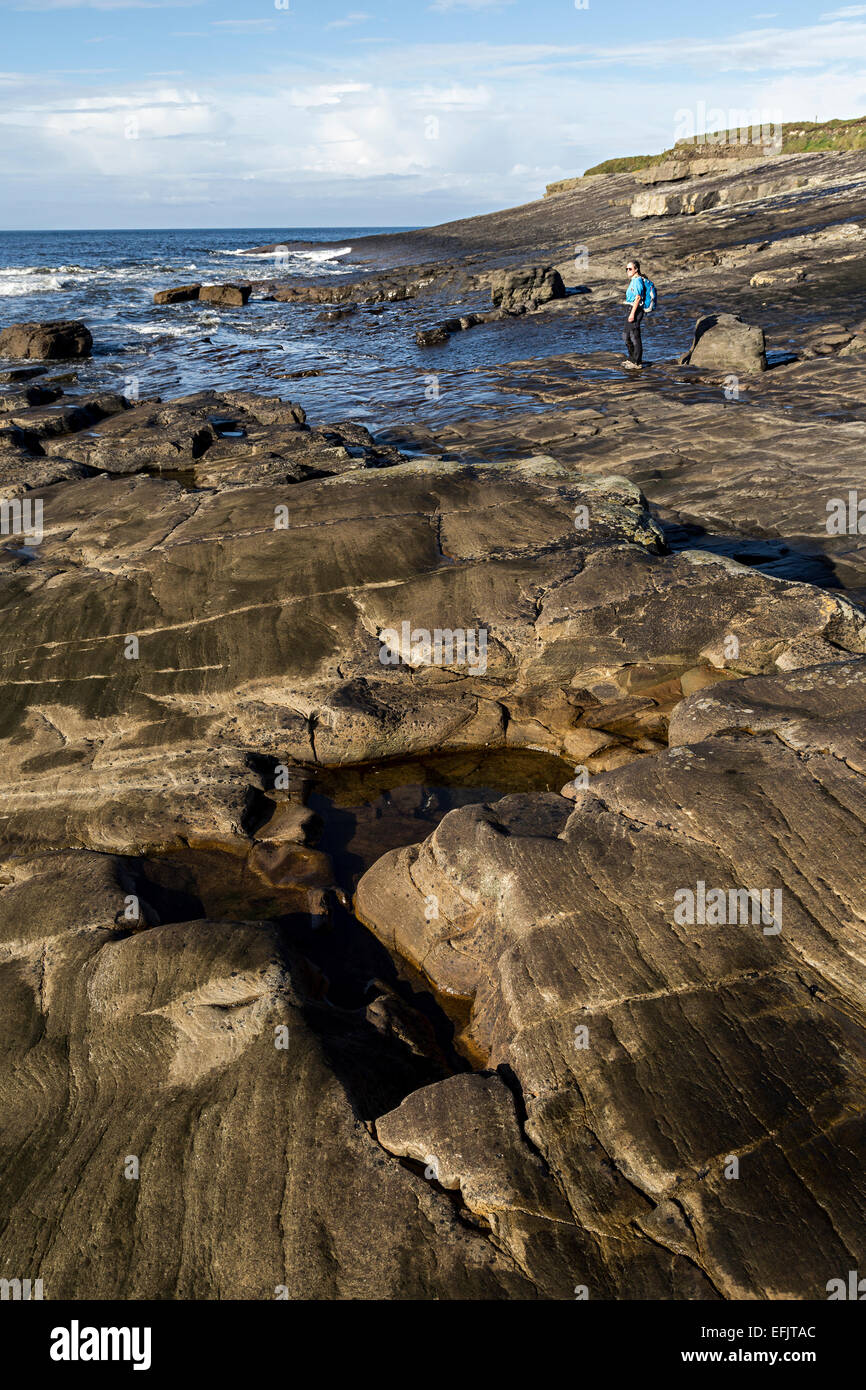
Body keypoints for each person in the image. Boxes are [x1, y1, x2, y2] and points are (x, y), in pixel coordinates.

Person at [623, 258, 646, 369]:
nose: (628, 270)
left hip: (636, 310)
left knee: (634, 336)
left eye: (630, 268)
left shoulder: (637, 281)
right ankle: (632, 358)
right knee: (626, 335)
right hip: (631, 309)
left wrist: (632, 314)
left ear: (636, 269)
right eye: (626, 269)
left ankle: (637, 362)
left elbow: (637, 298)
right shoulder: (634, 280)